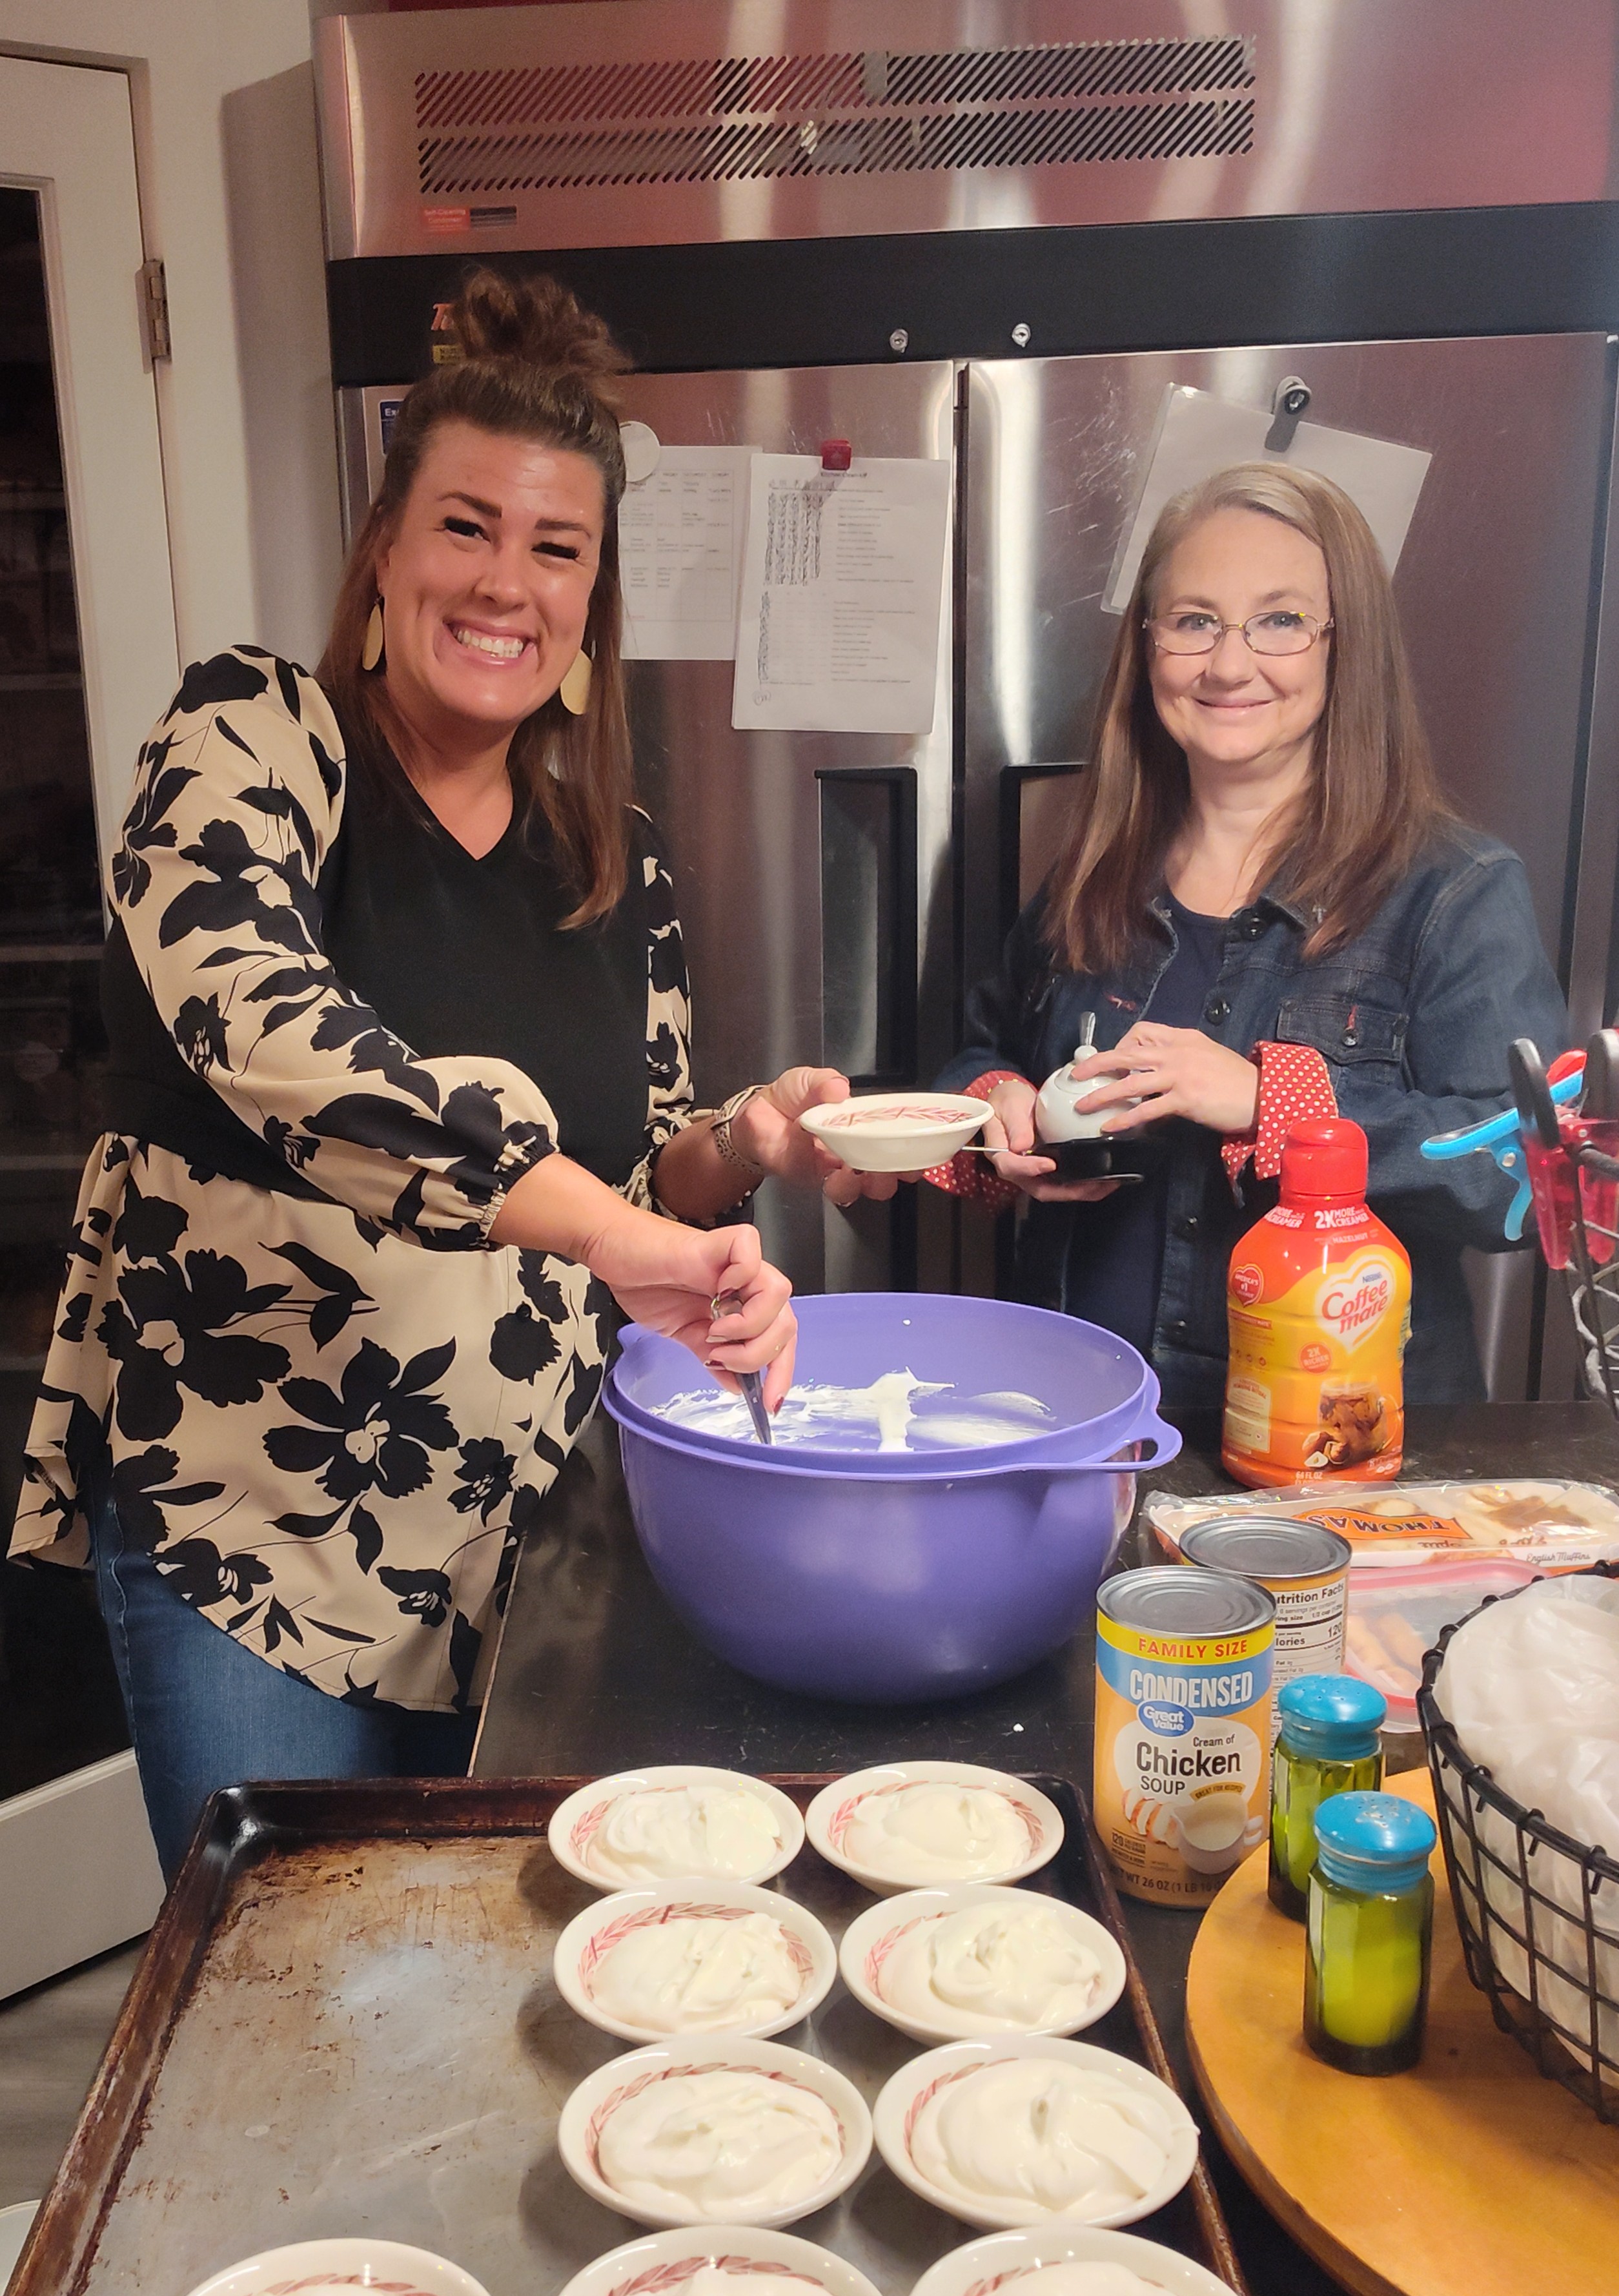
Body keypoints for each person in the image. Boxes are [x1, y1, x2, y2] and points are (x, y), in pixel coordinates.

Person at [8, 270, 881, 1878]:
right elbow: (257, 1016)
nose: (507, 584)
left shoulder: (610, 855)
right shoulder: (257, 738)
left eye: (557, 548)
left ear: (592, 598)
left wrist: (737, 1148)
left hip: (519, 1537)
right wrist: (611, 1233)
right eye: (465, 528)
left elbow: (623, 1196)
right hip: (256, 1544)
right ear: (388, 557)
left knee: (484, 1985)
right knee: (293, 2017)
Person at [932, 461, 1569, 1408]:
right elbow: (980, 1051)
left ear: (1343, 647)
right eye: (1194, 620)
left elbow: (1535, 1179)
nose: (1228, 665)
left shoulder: (1454, 892)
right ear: (1148, 647)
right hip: (1077, 1431)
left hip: (1339, 1463)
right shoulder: (1097, 875)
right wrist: (994, 1103)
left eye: (1279, 620)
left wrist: (1280, 1104)